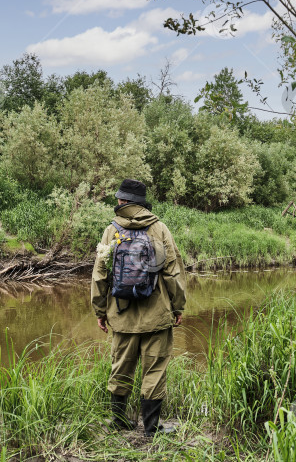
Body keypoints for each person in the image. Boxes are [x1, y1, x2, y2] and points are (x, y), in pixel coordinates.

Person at [91, 178, 186, 437]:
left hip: (121, 314)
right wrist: (178, 307)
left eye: (119, 198)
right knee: (154, 368)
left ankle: (119, 421)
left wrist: (100, 311)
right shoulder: (159, 229)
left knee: (121, 366)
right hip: (157, 315)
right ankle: (152, 428)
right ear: (142, 203)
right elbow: (172, 273)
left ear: (123, 201)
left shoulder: (111, 231)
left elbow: (100, 276)